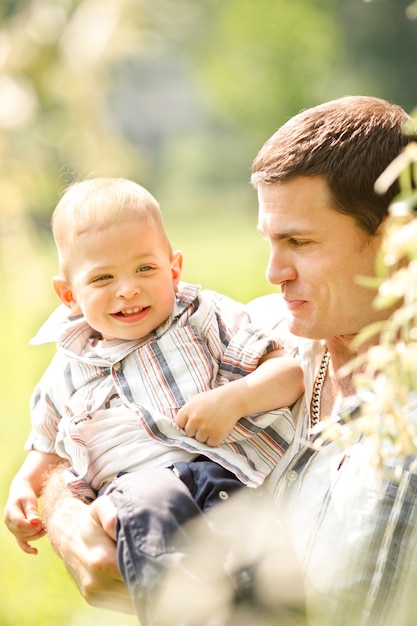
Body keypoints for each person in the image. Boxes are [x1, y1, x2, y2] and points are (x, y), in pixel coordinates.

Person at [28, 96, 417, 625]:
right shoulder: (253, 329)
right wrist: (65, 519)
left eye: (298, 241)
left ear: (396, 240)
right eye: (269, 241)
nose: (273, 272)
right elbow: (61, 437)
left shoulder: (405, 423)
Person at [3, 177, 303, 622]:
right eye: (103, 277)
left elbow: (290, 373)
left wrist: (236, 399)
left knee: (258, 567)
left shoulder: (205, 317)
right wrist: (23, 489)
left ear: (174, 268)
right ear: (68, 295)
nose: (128, 289)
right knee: (159, 545)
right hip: (140, 490)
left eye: (145, 269)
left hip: (227, 476)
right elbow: (47, 451)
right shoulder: (65, 371)